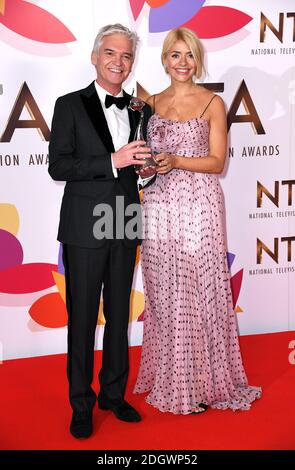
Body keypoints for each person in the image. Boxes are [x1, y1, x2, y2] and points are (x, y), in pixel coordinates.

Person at [134, 27, 262, 414]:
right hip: (158, 204)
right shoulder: (149, 103)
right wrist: (147, 167)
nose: (183, 63)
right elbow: (145, 156)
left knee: (200, 287)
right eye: (175, 55)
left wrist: (176, 161)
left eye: (189, 55)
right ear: (165, 60)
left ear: (198, 59)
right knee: (163, 289)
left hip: (200, 203)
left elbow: (217, 162)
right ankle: (169, 375)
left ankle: (205, 381)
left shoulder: (212, 103)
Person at [48, 24, 154, 439]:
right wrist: (113, 160)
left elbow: (139, 170)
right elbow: (59, 165)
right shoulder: (68, 105)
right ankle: (81, 403)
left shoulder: (140, 109)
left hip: (124, 218)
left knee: (119, 317)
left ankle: (113, 393)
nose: (118, 61)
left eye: (126, 56)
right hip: (84, 224)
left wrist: (144, 172)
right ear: (95, 57)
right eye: (110, 53)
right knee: (83, 318)